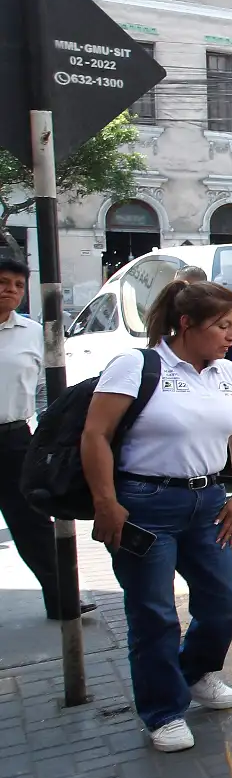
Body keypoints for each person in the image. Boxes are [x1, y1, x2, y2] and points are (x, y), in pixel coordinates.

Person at [80, 280, 232, 752]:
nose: (231, 337)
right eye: (222, 326)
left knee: (224, 601)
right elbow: (95, 435)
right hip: (144, 507)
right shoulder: (136, 366)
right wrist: (106, 501)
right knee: (154, 614)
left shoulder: (227, 374)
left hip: (208, 505)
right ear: (186, 324)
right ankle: (163, 711)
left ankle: (194, 672)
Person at [0, 251, 93, 620]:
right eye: (4, 283)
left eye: (18, 285)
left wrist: (47, 433)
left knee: (34, 521)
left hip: (14, 438)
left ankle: (62, 598)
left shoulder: (33, 333)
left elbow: (44, 387)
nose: (11, 290)